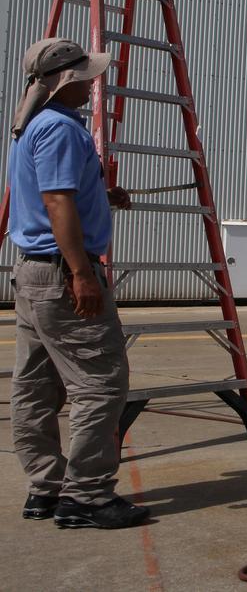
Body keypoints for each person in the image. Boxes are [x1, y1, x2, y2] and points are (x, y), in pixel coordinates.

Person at [6, 37, 148, 529]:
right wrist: (83, 273)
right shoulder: (63, 130)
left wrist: (100, 192)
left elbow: (56, 193)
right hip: (64, 272)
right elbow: (57, 203)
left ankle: (44, 488)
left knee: (36, 387)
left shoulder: (29, 128)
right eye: (85, 76)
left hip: (32, 272)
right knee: (102, 383)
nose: (92, 83)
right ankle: (86, 495)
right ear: (67, 81)